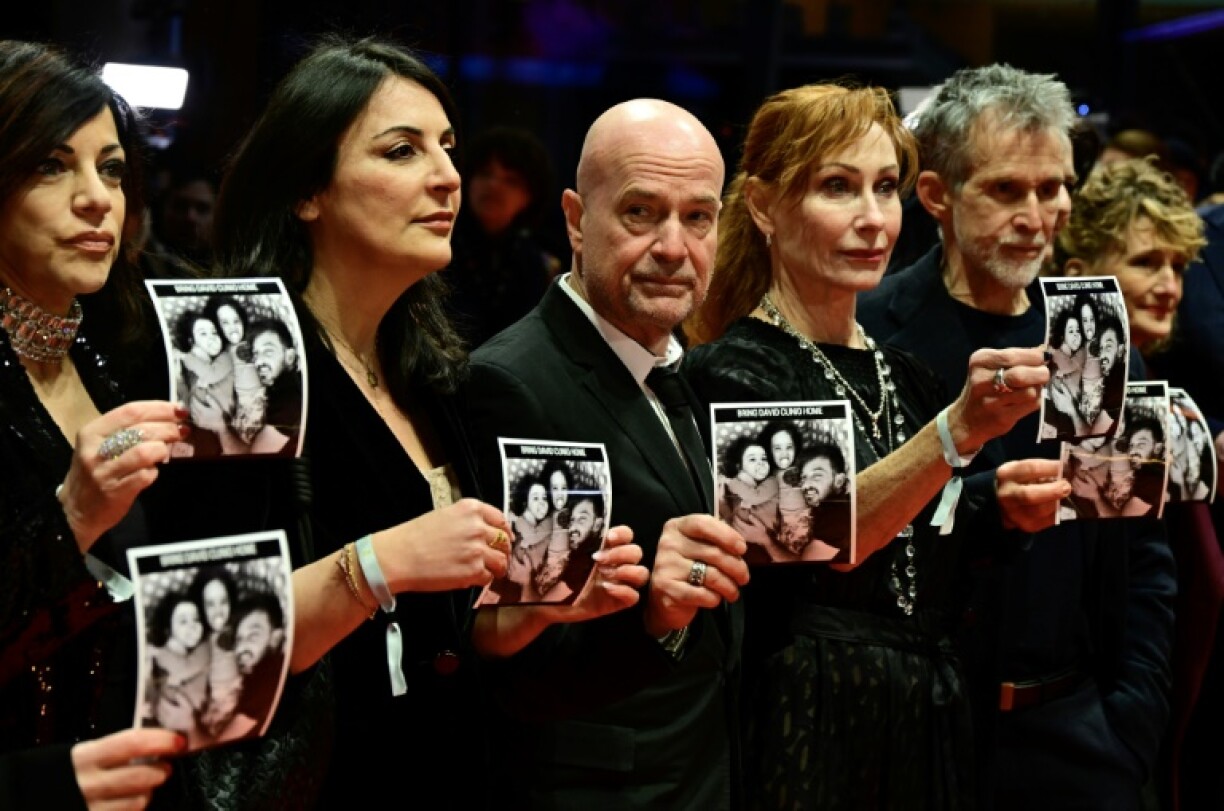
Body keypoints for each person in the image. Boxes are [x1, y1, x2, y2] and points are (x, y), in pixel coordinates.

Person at [682, 82, 1051, 808]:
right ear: (762, 206)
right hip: (803, 721)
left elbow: (920, 554)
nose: (874, 219)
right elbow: (823, 535)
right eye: (838, 188)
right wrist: (956, 433)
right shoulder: (738, 365)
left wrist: (1001, 509)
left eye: (886, 188)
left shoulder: (902, 372)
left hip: (925, 719)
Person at [202, 36, 536, 808]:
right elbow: (215, 653)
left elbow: (446, 634)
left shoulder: (432, 374)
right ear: (307, 190)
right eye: (401, 151)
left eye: (447, 147)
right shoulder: (238, 359)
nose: (448, 176)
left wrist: (532, 611)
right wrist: (377, 563)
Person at [858, 63, 1176, 809]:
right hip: (918, 734)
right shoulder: (871, 330)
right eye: (1008, 189)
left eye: (1055, 186)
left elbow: (1145, 553)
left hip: (1079, 734)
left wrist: (1131, 722)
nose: (1039, 213)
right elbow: (849, 543)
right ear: (936, 194)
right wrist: (979, 502)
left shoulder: (1094, 329)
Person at [461, 98, 747, 809]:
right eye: (641, 213)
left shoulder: (689, 367)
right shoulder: (517, 383)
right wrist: (655, 613)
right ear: (575, 219)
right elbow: (522, 668)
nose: (675, 246)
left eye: (699, 217)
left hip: (698, 771)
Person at [0, 39, 189, 808]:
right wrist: (71, 515)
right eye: (53, 165)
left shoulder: (115, 359)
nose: (96, 198)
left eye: (111, 168)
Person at [446, 125, 562, 346]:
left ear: (530, 196)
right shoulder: (437, 246)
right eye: (485, 173)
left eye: (511, 180)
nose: (494, 185)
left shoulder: (542, 264)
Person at [142, 589, 211, 747]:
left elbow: (184, 669)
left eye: (196, 619)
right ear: (169, 627)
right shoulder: (159, 654)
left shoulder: (204, 648)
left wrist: (160, 652)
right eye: (183, 621)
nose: (193, 626)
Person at [187, 566, 243, 741]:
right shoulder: (196, 639)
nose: (218, 610)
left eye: (223, 602)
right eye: (210, 604)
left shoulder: (240, 632)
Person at [718, 435, 779, 561]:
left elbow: (754, 497)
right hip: (742, 541)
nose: (761, 463)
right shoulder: (738, 489)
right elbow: (734, 517)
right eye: (752, 459)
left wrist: (731, 481)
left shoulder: (772, 482)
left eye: (764, 458)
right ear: (739, 466)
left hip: (766, 540)